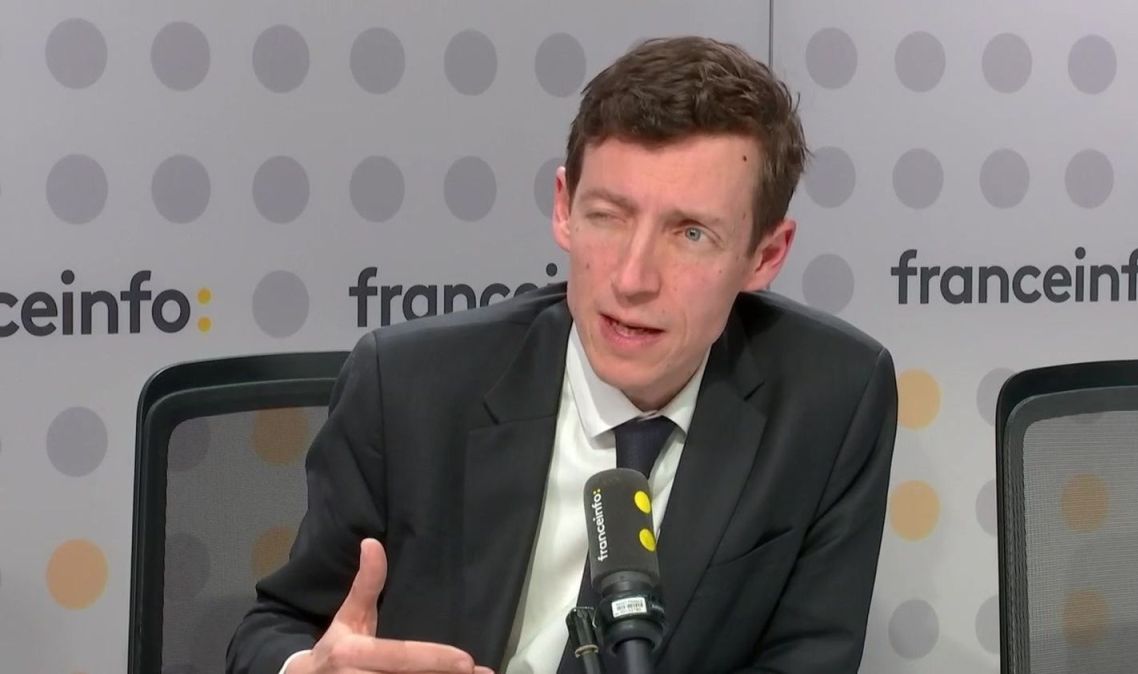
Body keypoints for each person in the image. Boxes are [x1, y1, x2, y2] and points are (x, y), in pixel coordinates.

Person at [227, 35, 898, 674]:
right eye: (608, 215)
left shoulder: (829, 399)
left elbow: (806, 660)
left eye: (691, 233)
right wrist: (307, 667)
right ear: (563, 208)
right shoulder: (408, 387)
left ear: (766, 255)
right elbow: (278, 627)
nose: (632, 279)